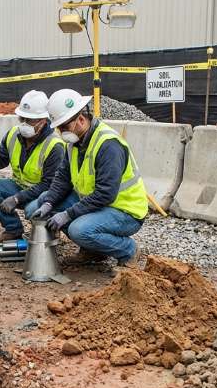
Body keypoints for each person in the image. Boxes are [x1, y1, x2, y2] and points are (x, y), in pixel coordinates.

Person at [28, 89, 148, 266]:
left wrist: (68, 214)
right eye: (58, 128)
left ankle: (128, 251)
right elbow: (62, 178)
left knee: (79, 230)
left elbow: (105, 194)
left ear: (81, 120)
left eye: (64, 127)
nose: (61, 132)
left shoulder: (108, 145)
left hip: (124, 211)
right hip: (98, 204)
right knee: (42, 203)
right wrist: (48, 202)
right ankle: (94, 250)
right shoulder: (74, 142)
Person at [0, 90, 65, 242]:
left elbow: (49, 184)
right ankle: (13, 229)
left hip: (43, 194)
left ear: (44, 121)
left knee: (31, 209)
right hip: (20, 186)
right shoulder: (13, 134)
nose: (24, 123)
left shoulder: (54, 145)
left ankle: (50, 228)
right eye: (22, 118)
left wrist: (17, 198)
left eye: (30, 120)